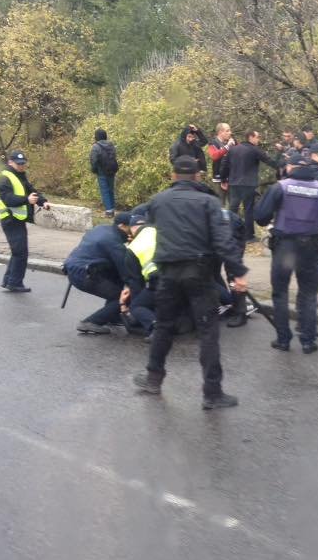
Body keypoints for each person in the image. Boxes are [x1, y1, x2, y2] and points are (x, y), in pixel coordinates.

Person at [133, 156, 249, 407]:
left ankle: (154, 379)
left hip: (167, 273)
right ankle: (212, 393)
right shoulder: (209, 202)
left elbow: (150, 228)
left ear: (173, 176)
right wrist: (237, 272)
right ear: (198, 176)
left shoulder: (158, 201)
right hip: (199, 273)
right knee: (208, 332)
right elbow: (223, 241)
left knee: (163, 326)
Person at [255, 151, 318, 353]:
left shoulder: (280, 187)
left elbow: (261, 217)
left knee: (280, 293)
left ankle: (283, 339)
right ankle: (308, 341)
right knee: (308, 294)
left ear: (290, 168)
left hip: (285, 247)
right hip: (311, 247)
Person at [0, 149, 50, 292]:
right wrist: (27, 200)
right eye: (19, 164)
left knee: (17, 251)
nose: (22, 166)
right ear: (10, 162)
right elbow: (8, 199)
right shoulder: (3, 178)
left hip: (17, 219)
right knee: (20, 252)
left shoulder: (19, 175)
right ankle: (15, 283)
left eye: (23, 163)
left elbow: (31, 190)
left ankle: (9, 281)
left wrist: (43, 202)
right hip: (9, 219)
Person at [64, 213, 132, 333]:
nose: (132, 231)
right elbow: (125, 268)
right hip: (85, 273)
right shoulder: (113, 241)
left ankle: (112, 316)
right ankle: (91, 322)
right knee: (121, 296)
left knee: (116, 287)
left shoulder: (101, 228)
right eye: (130, 227)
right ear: (122, 226)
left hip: (74, 268)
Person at [220, 130, 277, 242]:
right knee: (248, 210)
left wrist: (223, 179)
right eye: (257, 137)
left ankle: (230, 234)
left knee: (232, 209)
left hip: (234, 183)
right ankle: (249, 236)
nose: (258, 139)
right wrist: (283, 167)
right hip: (248, 184)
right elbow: (269, 160)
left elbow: (225, 164)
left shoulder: (233, 149)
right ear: (251, 137)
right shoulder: (254, 150)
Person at [120, 212, 159, 340]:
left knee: (138, 306)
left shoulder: (133, 248)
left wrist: (130, 307)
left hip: (160, 280)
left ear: (132, 230)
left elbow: (136, 282)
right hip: (186, 275)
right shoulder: (161, 230)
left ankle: (157, 329)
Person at [89, 128, 119, 217]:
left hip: (101, 171)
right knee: (111, 190)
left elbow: (93, 160)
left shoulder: (95, 146)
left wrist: (94, 169)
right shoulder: (111, 145)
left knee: (105, 191)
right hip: (112, 170)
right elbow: (114, 156)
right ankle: (112, 210)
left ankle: (109, 211)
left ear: (96, 137)